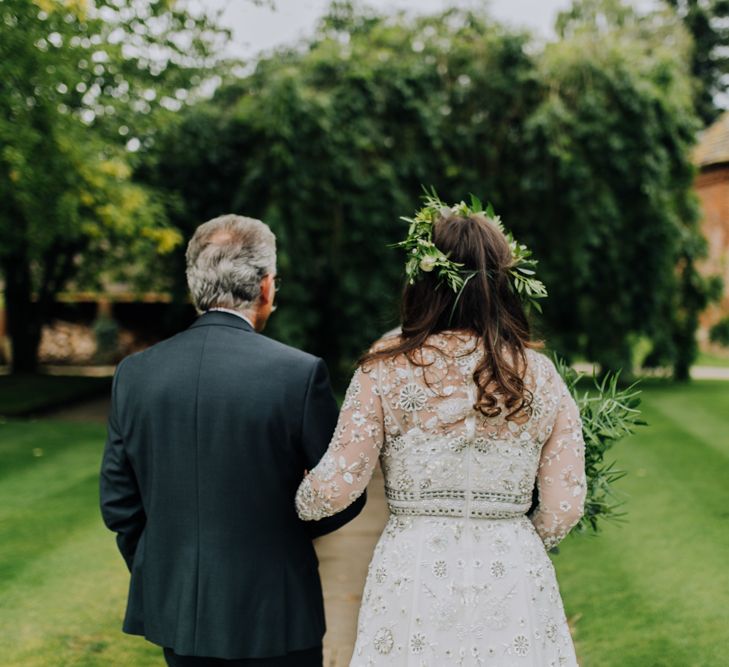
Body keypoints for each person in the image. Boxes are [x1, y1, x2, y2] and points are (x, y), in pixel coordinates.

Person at [295, 206, 587, 665]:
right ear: (502, 283)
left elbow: (335, 489)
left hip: (414, 573)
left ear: (422, 283)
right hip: (511, 571)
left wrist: (288, 496)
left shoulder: (384, 369)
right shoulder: (542, 376)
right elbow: (564, 507)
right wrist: (513, 536)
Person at [100, 214, 365, 667]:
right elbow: (342, 492)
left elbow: (120, 503)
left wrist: (169, 567)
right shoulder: (298, 374)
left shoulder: (136, 374)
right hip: (277, 611)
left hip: (180, 611)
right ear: (266, 286)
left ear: (194, 287)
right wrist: (285, 537)